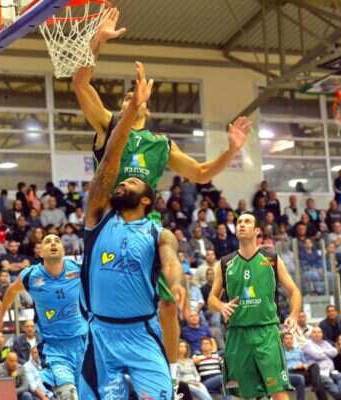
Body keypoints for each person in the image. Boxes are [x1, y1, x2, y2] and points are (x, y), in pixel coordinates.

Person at [74, 9, 251, 377]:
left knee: (169, 304)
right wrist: (98, 40)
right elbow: (80, 84)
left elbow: (201, 173)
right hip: (107, 220)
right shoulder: (109, 125)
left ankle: (170, 375)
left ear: (146, 105)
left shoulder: (160, 144)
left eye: (134, 97)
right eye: (126, 97)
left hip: (144, 225)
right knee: (100, 305)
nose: (130, 100)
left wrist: (231, 151)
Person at [77, 62, 184, 399]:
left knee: (168, 305)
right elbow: (110, 158)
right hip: (101, 335)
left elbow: (171, 258)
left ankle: (173, 371)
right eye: (123, 180)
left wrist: (176, 283)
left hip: (141, 334)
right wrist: (94, 46)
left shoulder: (157, 232)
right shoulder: (97, 215)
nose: (124, 181)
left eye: (133, 181)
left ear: (149, 198)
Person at [208, 211, 302, 399]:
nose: (241, 225)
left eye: (247, 222)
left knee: (278, 391)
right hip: (238, 334)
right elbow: (211, 299)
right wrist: (222, 306)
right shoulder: (225, 263)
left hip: (266, 332)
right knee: (245, 395)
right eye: (239, 222)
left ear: (257, 231)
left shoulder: (271, 259)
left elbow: (294, 291)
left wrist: (293, 315)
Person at [0, 234, 87, 400]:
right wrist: (1, 315)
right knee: (67, 394)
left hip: (83, 341)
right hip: (53, 346)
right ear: (40, 253)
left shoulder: (78, 269)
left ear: (63, 250)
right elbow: (12, 290)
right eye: (48, 241)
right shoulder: (31, 276)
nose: (53, 243)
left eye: (57, 241)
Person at [303, 327, 341, 400]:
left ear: (322, 334)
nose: (317, 334)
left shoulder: (325, 343)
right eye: (314, 332)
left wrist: (323, 351)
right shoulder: (308, 345)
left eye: (319, 332)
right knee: (328, 381)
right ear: (311, 335)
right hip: (320, 373)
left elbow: (335, 352)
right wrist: (328, 353)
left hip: (331, 371)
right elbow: (317, 355)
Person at [282, 332, 327, 400]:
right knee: (318, 379)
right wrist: (294, 367)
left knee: (315, 366)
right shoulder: (281, 352)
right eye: (287, 339)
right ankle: (316, 384)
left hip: (302, 371)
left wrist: (305, 365)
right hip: (291, 372)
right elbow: (281, 367)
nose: (289, 340)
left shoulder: (298, 350)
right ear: (282, 341)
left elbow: (305, 362)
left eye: (291, 338)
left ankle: (315, 384)